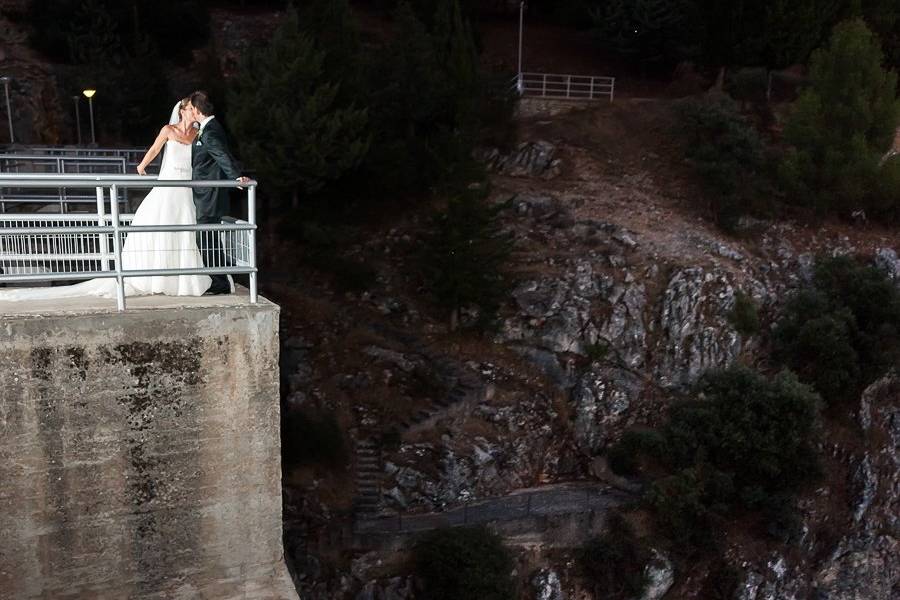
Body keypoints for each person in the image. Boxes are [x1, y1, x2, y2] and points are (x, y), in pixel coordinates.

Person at [0, 98, 211, 301]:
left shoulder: (196, 133)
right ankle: (156, 276)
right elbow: (156, 149)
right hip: (169, 182)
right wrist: (142, 165)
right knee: (161, 222)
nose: (195, 112)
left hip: (186, 184)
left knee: (184, 226)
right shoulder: (168, 130)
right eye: (192, 109)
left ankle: (182, 277)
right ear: (183, 110)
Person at [185, 91, 249, 295]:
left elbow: (222, 155)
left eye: (190, 109)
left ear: (195, 110)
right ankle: (220, 279)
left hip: (209, 194)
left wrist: (236, 177)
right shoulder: (210, 127)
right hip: (207, 193)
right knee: (209, 239)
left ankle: (220, 281)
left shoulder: (210, 132)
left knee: (205, 239)